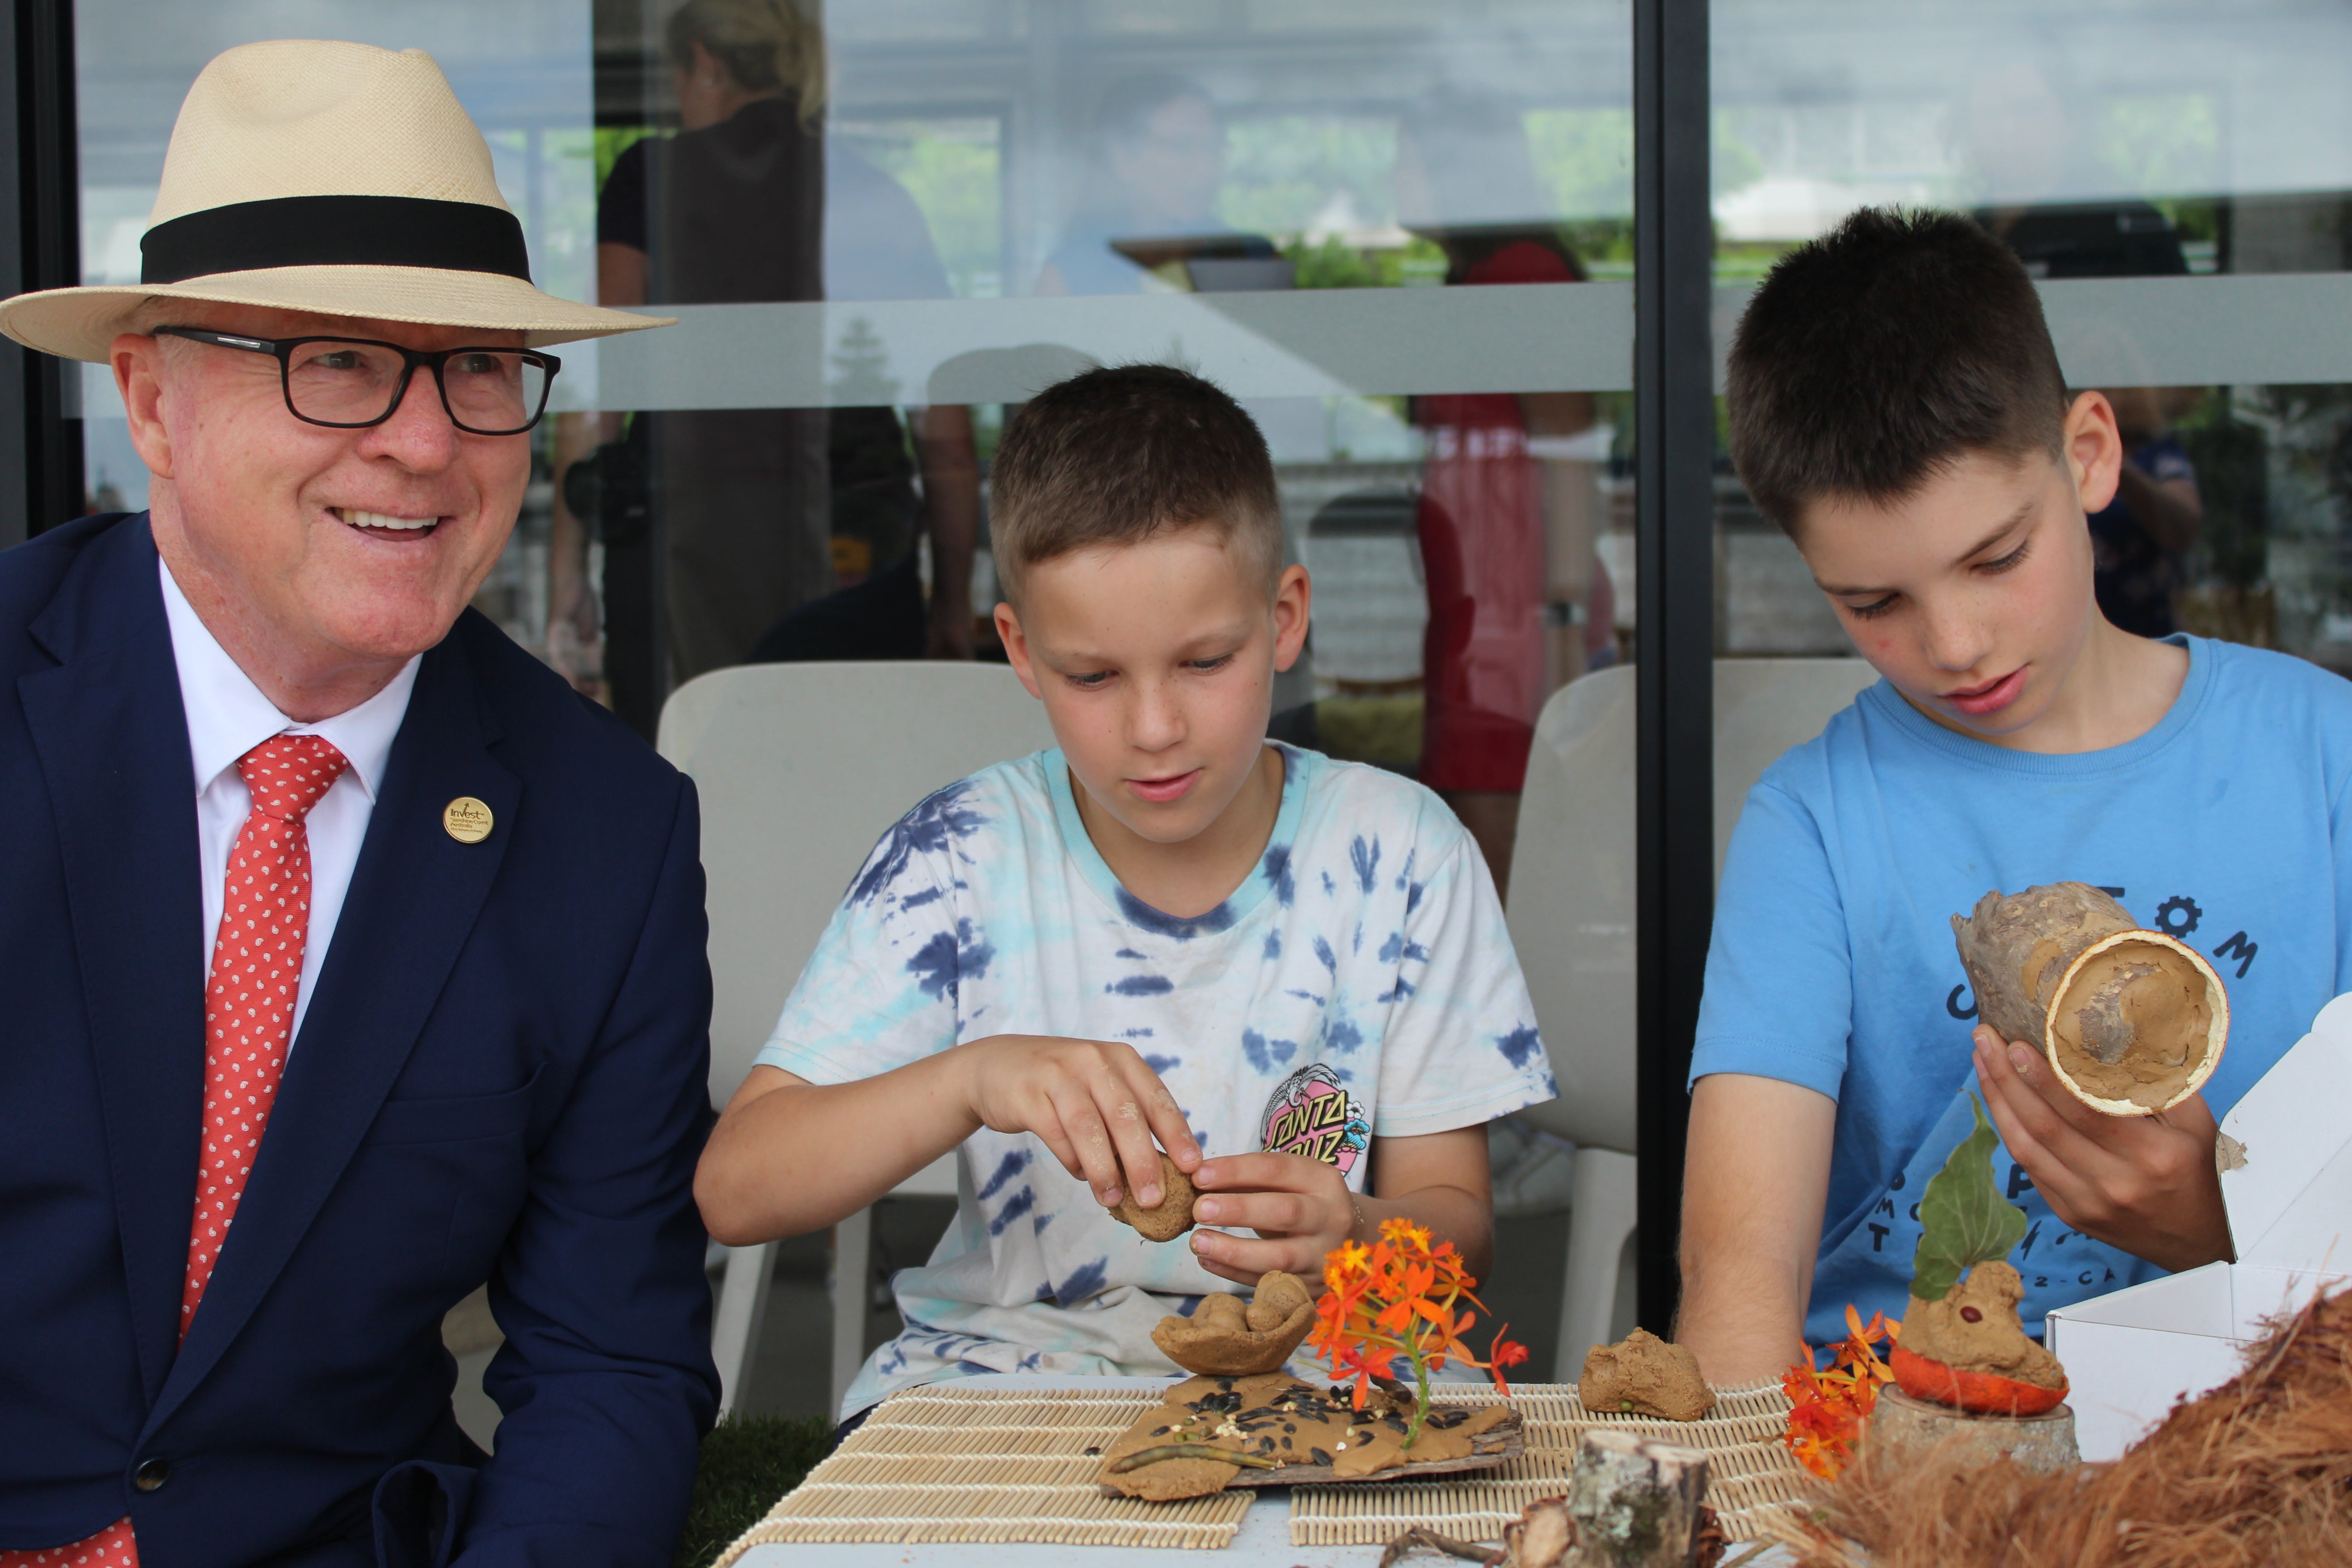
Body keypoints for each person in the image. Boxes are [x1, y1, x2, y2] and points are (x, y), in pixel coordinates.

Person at [0, 40, 716, 1567]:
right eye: (334, 359)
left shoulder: (608, 834)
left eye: (476, 366)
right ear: (152, 401)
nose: (424, 439)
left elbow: (610, 1361)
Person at [695, 364, 1557, 1421]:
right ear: (1020, 650)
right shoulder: (961, 858)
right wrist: (970, 1079)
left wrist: (1358, 1231)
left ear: (1285, 619)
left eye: (1204, 662)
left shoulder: (1401, 851)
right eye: (1094, 677)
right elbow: (737, 1190)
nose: (1154, 728)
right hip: (1008, 1380)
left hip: (1334, 1369)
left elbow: (1456, 1228)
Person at [1673, 208, 2352, 1387]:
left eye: (1996, 559)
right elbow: (1738, 1280)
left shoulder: (2322, 756)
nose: (1956, 643)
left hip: (2260, 1426)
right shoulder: (1816, 822)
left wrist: (2215, 1225)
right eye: (1875, 603)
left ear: (2090, 454)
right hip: (1886, 1430)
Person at [551, 0, 978, 732]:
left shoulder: (649, 178)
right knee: (851, 778)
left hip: (679, 550)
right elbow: (944, 426)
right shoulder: (873, 193)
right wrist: (949, 600)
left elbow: (599, 391)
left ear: (705, 65)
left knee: (688, 781)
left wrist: (568, 576)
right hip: (858, 551)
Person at [1394, 93, 1612, 897]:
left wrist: (1556, 624)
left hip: (1518, 624)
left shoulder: (1525, 271)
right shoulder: (1473, 279)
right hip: (1476, 619)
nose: (1395, 174)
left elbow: (1569, 457)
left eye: (1411, 155)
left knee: (1510, 873)